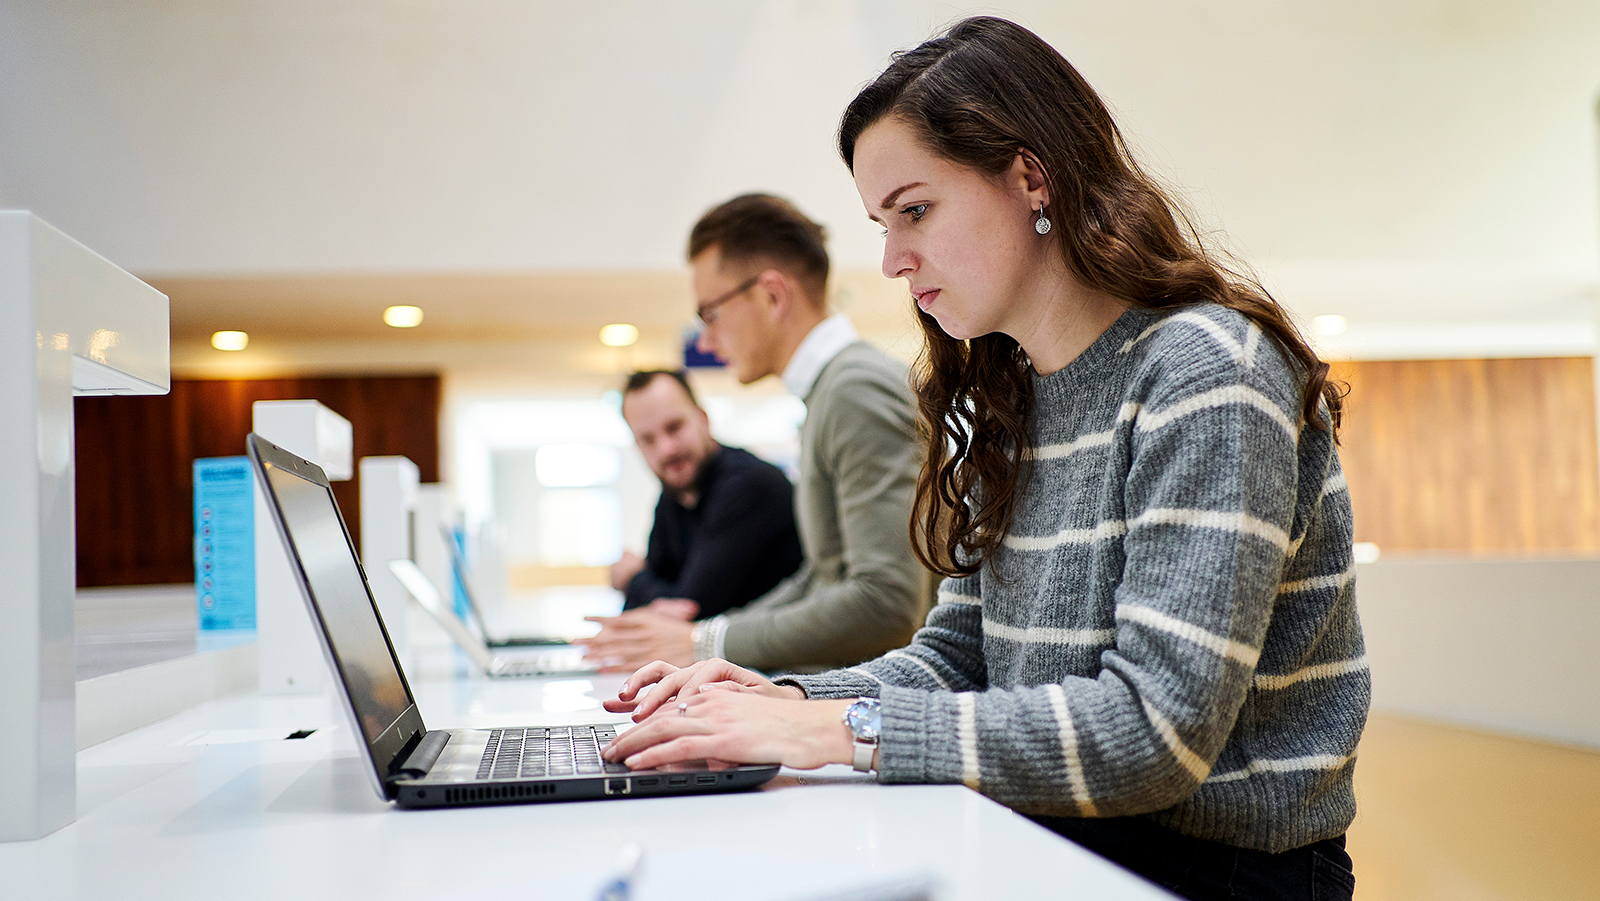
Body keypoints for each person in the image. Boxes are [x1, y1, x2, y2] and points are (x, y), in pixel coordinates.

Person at [599, 17, 1367, 901]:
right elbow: (958, 654)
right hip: (1055, 827)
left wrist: (838, 730)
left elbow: (1156, 734)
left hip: (1212, 869)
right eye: (881, 224)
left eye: (914, 211)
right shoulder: (1010, 403)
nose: (890, 260)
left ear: (1030, 177)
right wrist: (781, 699)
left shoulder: (1205, 370)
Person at [581, 193, 930, 674]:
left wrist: (706, 643)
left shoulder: (853, 390)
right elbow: (824, 578)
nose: (705, 340)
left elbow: (885, 603)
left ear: (771, 295)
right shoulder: (833, 391)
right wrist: (701, 640)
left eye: (710, 313)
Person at [605, 369, 803, 621]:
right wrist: (648, 588)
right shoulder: (672, 499)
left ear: (703, 419)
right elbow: (644, 616)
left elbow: (691, 611)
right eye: (648, 439)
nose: (666, 449)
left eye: (674, 427)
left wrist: (632, 578)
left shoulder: (748, 485)